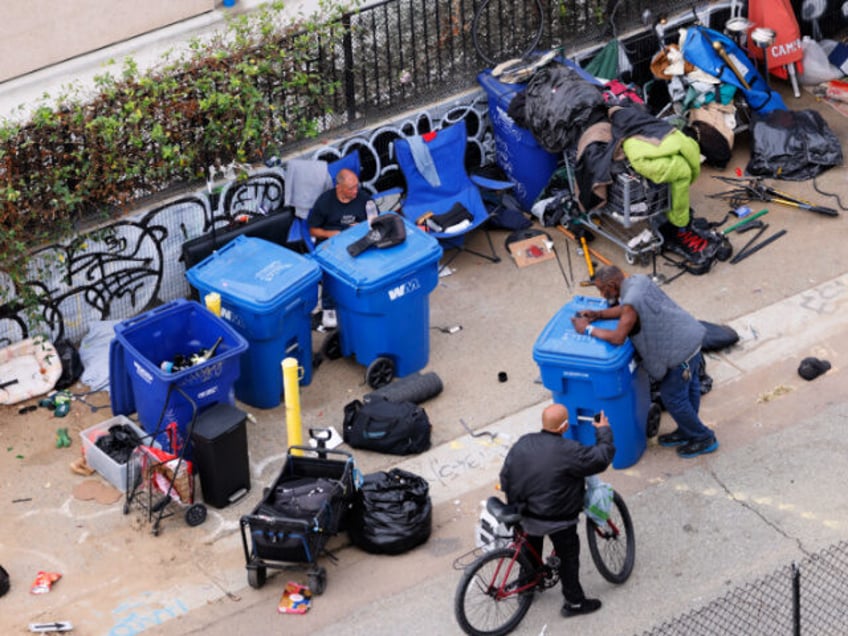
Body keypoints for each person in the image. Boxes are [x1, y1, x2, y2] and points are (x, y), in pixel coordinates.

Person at [570, 265, 718, 458]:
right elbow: (625, 311)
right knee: (689, 389)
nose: (601, 294)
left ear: (613, 284)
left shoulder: (631, 301)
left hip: (678, 353)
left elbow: (618, 337)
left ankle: (704, 438)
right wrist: (598, 315)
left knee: (674, 398)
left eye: (601, 289)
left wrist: (587, 329)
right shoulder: (637, 282)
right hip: (690, 338)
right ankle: (688, 429)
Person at [499, 403, 615, 619]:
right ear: (563, 427)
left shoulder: (523, 443)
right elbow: (601, 457)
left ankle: (527, 588)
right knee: (568, 557)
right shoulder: (569, 451)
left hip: (524, 513)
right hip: (558, 519)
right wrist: (603, 430)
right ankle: (574, 602)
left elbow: (505, 475)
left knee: (529, 547)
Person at [308, 168, 373, 328]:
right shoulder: (325, 202)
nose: (355, 191)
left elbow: (373, 223)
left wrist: (362, 228)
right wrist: (332, 234)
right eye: (351, 188)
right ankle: (328, 307)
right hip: (331, 242)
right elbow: (313, 230)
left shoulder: (364, 199)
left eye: (356, 186)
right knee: (333, 271)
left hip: (356, 240)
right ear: (339, 187)